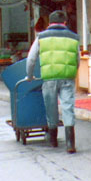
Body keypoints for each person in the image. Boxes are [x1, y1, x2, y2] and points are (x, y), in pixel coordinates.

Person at [26, 10, 80, 153]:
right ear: (65, 23)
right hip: (67, 77)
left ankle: (53, 140)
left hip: (49, 78)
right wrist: (73, 73)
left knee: (51, 107)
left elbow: (31, 59)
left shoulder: (41, 37)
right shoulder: (74, 37)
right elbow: (77, 59)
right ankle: (70, 143)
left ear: (49, 23)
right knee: (68, 107)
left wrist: (29, 75)